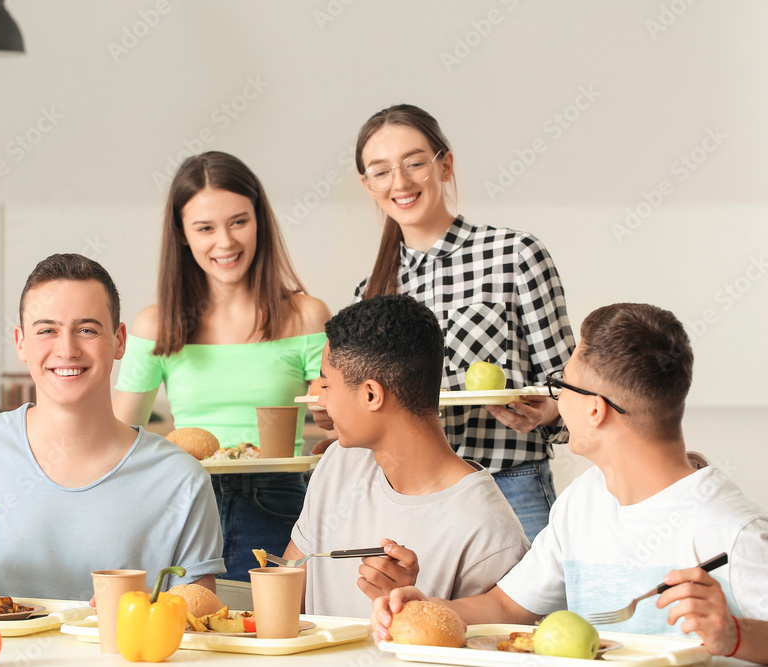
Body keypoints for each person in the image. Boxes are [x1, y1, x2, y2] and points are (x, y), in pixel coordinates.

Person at [371, 303, 768, 659]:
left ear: (596, 410)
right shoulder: (584, 500)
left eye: (561, 386)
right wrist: (429, 607)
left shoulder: (734, 529)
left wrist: (735, 635)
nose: (556, 402)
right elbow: (508, 607)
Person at [0, 254, 225, 600]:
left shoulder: (181, 479)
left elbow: (199, 616)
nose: (66, 349)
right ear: (21, 343)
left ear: (120, 341)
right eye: (47, 330)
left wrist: (146, 611)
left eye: (88, 330)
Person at [314, 104, 576, 542]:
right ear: (367, 185)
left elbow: (568, 384)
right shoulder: (370, 292)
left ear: (445, 164)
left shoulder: (515, 255)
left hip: (510, 483)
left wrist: (550, 412)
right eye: (381, 171)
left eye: (415, 163)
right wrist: (334, 412)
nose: (400, 182)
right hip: (412, 498)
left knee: (521, 614)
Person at [113, 151, 331, 582]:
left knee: (271, 631)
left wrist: (334, 422)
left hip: (279, 502)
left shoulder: (306, 316)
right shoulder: (155, 324)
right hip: (184, 499)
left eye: (239, 221)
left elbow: (340, 426)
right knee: (190, 632)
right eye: (205, 228)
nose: (226, 242)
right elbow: (119, 439)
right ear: (181, 234)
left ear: (259, 221)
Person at [285, 294, 530, 619]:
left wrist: (410, 610)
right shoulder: (338, 464)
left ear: (371, 394)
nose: (321, 401)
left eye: (326, 385)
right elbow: (288, 583)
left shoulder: (489, 533)